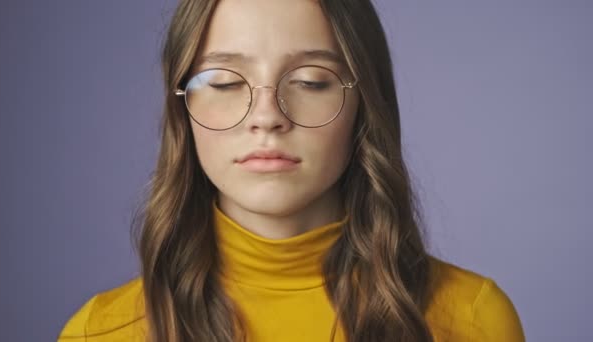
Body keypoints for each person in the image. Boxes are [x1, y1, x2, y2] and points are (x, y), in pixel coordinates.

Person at [58, 0, 525, 341]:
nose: (267, 116)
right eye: (221, 81)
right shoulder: (98, 332)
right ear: (181, 109)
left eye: (310, 81)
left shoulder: (473, 319)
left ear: (364, 105)